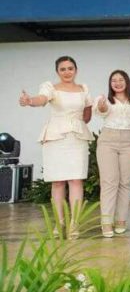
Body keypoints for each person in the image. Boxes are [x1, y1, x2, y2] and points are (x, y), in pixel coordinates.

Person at [19, 56, 93, 239]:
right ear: (57, 71)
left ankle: (74, 223)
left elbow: (87, 113)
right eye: (63, 69)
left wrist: (79, 122)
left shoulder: (84, 88)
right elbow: (41, 99)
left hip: (77, 137)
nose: (67, 72)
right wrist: (29, 101)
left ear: (76, 70)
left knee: (76, 180)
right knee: (58, 181)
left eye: (70, 68)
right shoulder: (50, 87)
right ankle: (59, 223)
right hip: (55, 137)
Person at [95, 70, 130, 238]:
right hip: (108, 141)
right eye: (114, 80)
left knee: (125, 182)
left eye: (121, 80)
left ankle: (121, 220)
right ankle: (106, 222)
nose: (117, 83)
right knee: (109, 182)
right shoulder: (106, 100)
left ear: (127, 82)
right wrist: (102, 106)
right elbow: (101, 111)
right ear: (110, 84)